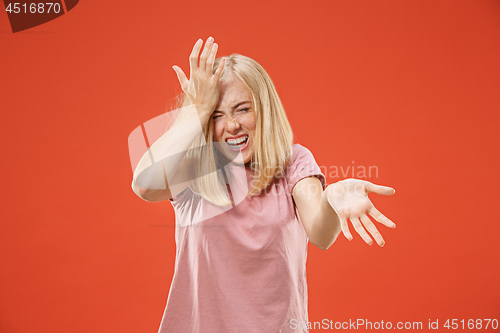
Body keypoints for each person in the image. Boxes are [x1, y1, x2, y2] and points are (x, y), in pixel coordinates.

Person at [131, 37, 396, 333]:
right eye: (217, 115)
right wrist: (196, 109)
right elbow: (144, 184)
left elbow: (321, 234)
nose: (231, 125)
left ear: (264, 109)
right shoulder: (193, 168)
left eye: (242, 109)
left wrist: (332, 199)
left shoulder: (294, 161)